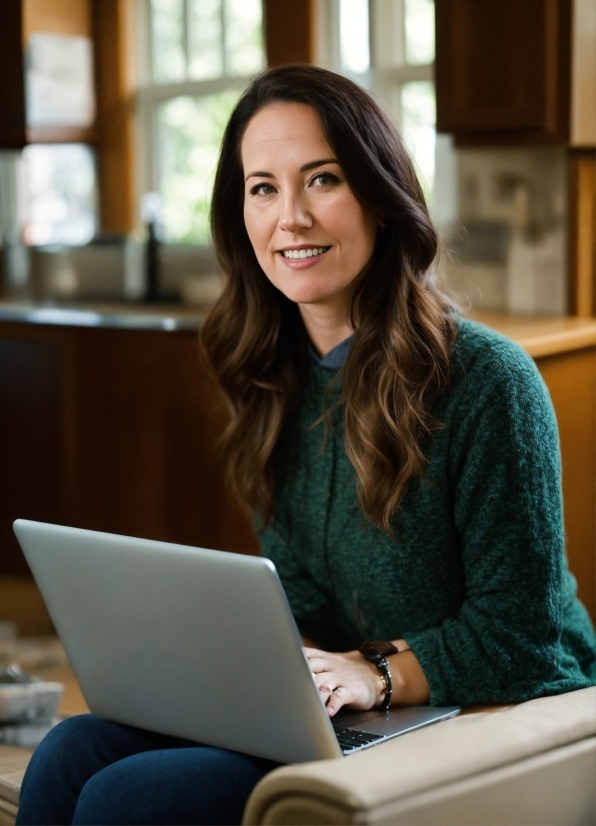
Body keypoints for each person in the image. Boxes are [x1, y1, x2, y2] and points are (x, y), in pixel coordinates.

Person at [17, 64, 596, 826]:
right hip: (346, 701)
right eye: (263, 187)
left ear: (381, 198)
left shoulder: (490, 382)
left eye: (321, 180)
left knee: (128, 799)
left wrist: (376, 673)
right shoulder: (273, 378)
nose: (290, 217)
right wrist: (218, 658)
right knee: (69, 753)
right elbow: (308, 601)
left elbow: (521, 635)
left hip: (481, 704)